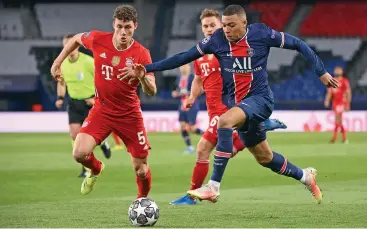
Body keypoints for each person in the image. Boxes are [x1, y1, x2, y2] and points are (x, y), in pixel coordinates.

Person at [121, 5, 339, 204]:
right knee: (265, 158)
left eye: (231, 25)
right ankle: (305, 176)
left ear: (244, 24)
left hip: (261, 99)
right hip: (241, 105)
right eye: (224, 25)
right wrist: (148, 68)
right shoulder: (217, 40)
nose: (226, 29)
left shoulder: (261, 34)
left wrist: (321, 72)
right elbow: (182, 57)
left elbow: (299, 44)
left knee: (224, 122)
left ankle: (213, 187)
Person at [170, 8, 287, 205]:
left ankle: (192, 195)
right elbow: (198, 79)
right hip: (212, 109)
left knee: (203, 148)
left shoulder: (225, 49)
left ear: (222, 26)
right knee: (237, 152)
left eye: (213, 25)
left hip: (226, 108)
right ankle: (260, 125)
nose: (209, 29)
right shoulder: (202, 54)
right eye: (205, 26)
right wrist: (191, 96)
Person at [51, 5, 156, 197]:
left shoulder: (142, 53)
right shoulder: (98, 39)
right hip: (102, 110)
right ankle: (96, 168)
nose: (123, 32)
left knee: (140, 168)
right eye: (119, 27)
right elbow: (75, 39)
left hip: (129, 115)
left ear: (135, 26)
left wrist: (141, 77)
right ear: (113, 25)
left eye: (128, 28)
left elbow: (152, 91)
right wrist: (58, 61)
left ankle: (142, 201)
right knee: (79, 153)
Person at [56, 34, 111, 178]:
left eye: (71, 45)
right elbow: (61, 83)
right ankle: (85, 168)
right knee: (75, 136)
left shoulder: (88, 62)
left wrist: (96, 98)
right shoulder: (62, 65)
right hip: (74, 103)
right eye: (66, 46)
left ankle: (103, 142)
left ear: (77, 46)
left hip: (91, 103)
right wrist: (60, 97)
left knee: (91, 135)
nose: (69, 48)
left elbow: (102, 80)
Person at [172, 64, 204, 153]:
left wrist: (189, 93)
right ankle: (190, 147)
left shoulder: (193, 78)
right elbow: (175, 91)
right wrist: (175, 93)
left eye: (185, 66)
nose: (183, 68)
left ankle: (209, 136)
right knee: (182, 127)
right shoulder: (178, 79)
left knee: (191, 128)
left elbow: (201, 90)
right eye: (181, 66)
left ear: (189, 67)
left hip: (192, 104)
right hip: (182, 105)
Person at [324, 66, 351, 143]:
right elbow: (329, 92)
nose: (337, 71)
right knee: (339, 120)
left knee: (338, 119)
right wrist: (327, 100)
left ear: (342, 72)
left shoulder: (345, 81)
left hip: (342, 102)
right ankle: (344, 138)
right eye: (336, 70)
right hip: (335, 103)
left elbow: (348, 92)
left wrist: (348, 104)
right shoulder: (332, 80)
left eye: (339, 70)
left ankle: (336, 138)